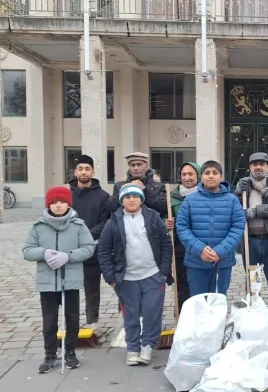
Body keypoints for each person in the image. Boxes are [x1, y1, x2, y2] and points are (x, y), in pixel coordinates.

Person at [98, 184, 173, 366]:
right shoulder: (113, 222)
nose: (131, 199)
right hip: (126, 279)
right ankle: (132, 347)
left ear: (141, 199)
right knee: (131, 314)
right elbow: (103, 250)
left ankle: (147, 346)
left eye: (135, 196)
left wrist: (163, 272)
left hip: (153, 275)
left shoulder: (153, 218)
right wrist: (111, 279)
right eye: (127, 196)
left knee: (151, 313)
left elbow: (165, 244)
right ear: (122, 200)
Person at [22, 187, 96, 373]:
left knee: (71, 319)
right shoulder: (38, 226)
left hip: (70, 280)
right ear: (49, 204)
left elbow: (88, 248)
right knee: (49, 320)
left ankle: (70, 352)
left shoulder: (78, 225)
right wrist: (44, 252)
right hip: (47, 282)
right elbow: (27, 251)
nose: (58, 205)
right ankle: (49, 354)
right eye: (54, 202)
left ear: (68, 203)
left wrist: (68, 256)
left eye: (62, 201)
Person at [176, 161, 245, 296]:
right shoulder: (190, 200)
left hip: (222, 262)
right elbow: (182, 228)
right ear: (201, 177)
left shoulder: (232, 200)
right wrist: (200, 249)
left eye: (215, 173)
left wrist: (219, 251)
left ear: (221, 176)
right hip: (196, 261)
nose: (211, 176)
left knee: (218, 302)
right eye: (207, 173)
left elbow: (238, 227)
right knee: (199, 302)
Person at [234, 152, 268, 306]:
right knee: (252, 283)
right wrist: (238, 193)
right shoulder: (243, 184)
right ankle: (255, 315)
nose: (258, 167)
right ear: (250, 167)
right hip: (249, 241)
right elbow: (234, 208)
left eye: (262, 164)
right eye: (254, 164)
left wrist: (255, 211)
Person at [67, 154, 110, 330]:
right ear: (75, 172)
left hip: (93, 249)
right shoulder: (66, 195)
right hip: (69, 250)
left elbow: (105, 221)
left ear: (93, 171)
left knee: (92, 288)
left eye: (87, 169)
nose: (84, 172)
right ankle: (71, 323)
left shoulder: (103, 196)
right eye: (80, 169)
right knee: (71, 289)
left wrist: (85, 237)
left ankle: (92, 321)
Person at [164, 162, 202, 313]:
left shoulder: (204, 194)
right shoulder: (172, 196)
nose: (187, 178)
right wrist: (165, 222)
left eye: (191, 174)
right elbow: (162, 217)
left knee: (198, 283)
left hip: (200, 246)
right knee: (182, 283)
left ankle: (199, 314)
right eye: (184, 174)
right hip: (180, 248)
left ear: (198, 175)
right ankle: (182, 314)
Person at [107, 152, 167, 216]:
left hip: (150, 224)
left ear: (146, 166)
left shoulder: (158, 186)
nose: (135, 168)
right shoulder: (119, 185)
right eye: (132, 165)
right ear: (129, 167)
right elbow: (111, 208)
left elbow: (162, 208)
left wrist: (145, 191)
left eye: (139, 165)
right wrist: (126, 189)